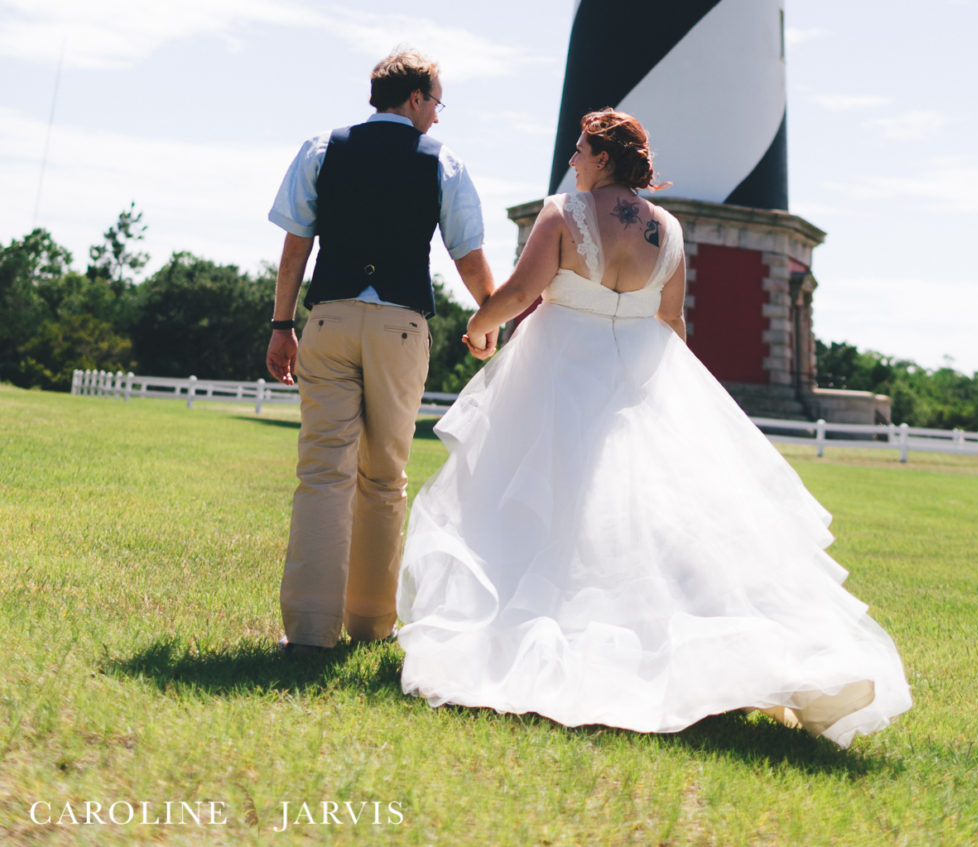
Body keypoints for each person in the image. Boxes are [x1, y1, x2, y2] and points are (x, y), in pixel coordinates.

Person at [396, 108, 912, 745]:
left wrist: (480, 327)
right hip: (637, 377)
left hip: (556, 373)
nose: (572, 160)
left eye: (580, 149)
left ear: (604, 158)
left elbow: (522, 291)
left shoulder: (561, 214)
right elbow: (672, 322)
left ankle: (536, 644)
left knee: (544, 515)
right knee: (645, 523)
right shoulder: (666, 229)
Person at [266, 47, 495, 655]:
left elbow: (296, 249)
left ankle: (310, 631)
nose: (439, 117)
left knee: (322, 470)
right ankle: (370, 623)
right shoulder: (442, 162)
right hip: (400, 328)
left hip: (331, 319)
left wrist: (280, 324)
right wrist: (493, 315)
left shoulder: (322, 148)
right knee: (385, 477)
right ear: (416, 98)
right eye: (437, 103)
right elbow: (467, 254)